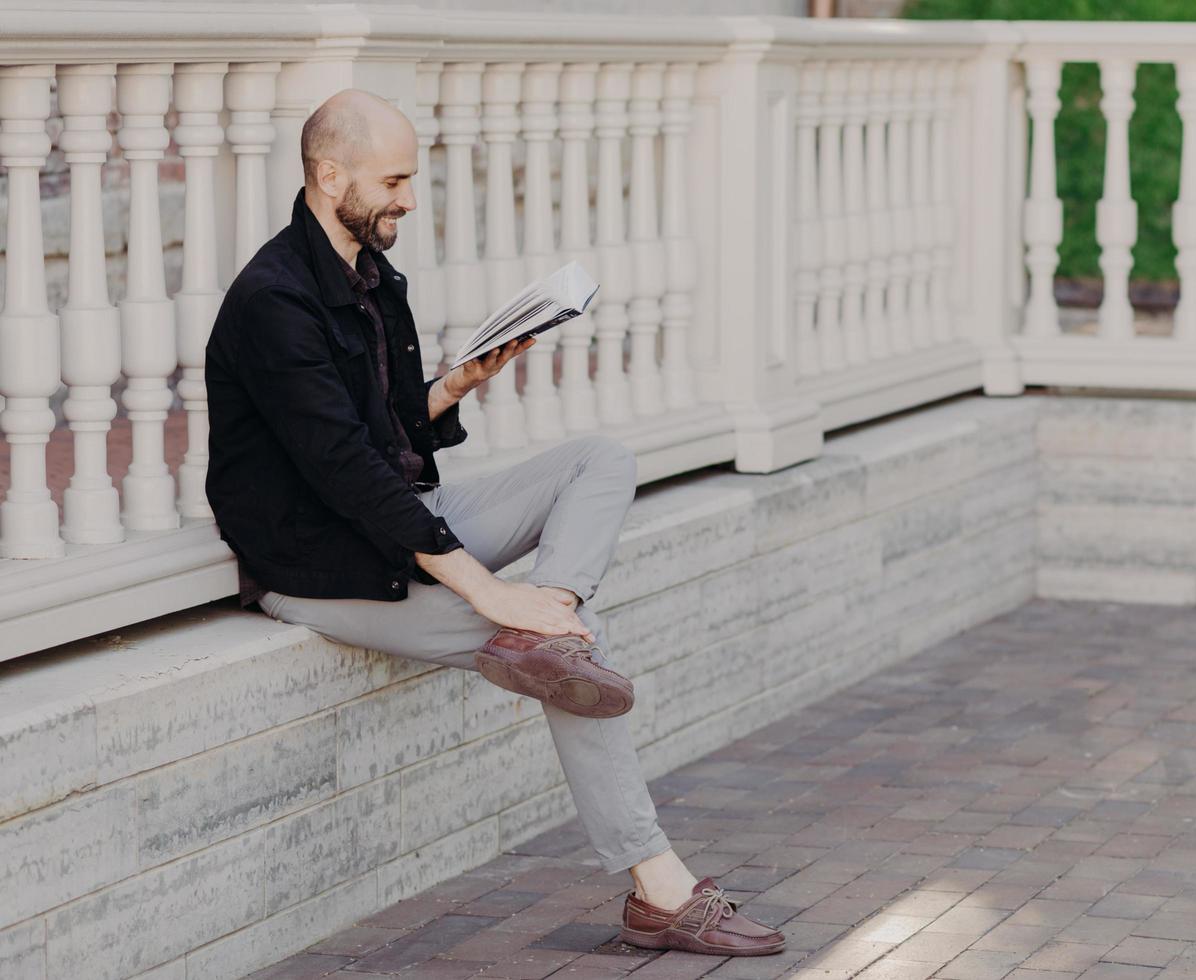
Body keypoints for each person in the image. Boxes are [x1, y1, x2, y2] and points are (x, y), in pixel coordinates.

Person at [204, 88, 783, 957]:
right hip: (321, 565)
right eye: (393, 179)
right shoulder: (274, 301)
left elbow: (389, 429)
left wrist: (456, 388)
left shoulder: (370, 270)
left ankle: (548, 621)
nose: (407, 197)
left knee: (600, 461)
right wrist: (489, 592)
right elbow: (346, 473)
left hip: (407, 522)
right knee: (571, 647)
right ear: (331, 175)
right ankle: (657, 889)